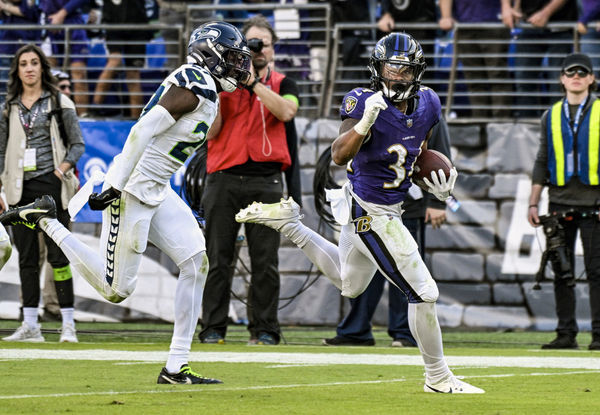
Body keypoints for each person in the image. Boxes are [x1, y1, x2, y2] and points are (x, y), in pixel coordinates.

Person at [0, 21, 252, 383]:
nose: (237, 65)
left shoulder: (207, 87)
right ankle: (46, 220)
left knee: (196, 262)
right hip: (131, 187)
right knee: (116, 289)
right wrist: (116, 184)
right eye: (229, 57)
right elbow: (143, 128)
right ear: (209, 53)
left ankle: (176, 365)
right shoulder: (195, 81)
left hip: (156, 187)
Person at [236, 32, 484, 394]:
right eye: (391, 67)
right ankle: (438, 377)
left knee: (350, 285)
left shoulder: (429, 102)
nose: (397, 75)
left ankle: (291, 226)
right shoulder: (360, 101)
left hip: (390, 206)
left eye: (405, 69)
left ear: (417, 72)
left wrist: (433, 184)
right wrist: (364, 123)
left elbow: (416, 156)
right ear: (378, 67)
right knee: (424, 292)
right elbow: (338, 155)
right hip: (370, 210)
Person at [198, 15, 301, 346]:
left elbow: (286, 112)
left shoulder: (284, 83)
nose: (256, 50)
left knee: (265, 262)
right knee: (218, 258)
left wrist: (253, 83)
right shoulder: (222, 83)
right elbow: (210, 132)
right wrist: (219, 85)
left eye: (263, 45)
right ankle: (213, 327)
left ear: (272, 50)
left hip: (266, 180)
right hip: (224, 177)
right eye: (250, 44)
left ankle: (265, 329)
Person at [323, 119, 452, 347]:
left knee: (406, 273)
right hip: (368, 203)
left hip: (406, 203)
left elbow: (436, 153)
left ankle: (403, 330)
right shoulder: (371, 106)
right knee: (360, 273)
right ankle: (357, 329)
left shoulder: (424, 106)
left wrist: (437, 202)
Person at [0, 44, 84, 343]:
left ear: (42, 68)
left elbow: (77, 144)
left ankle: (68, 325)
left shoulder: (59, 102)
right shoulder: (9, 106)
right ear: (17, 70)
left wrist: (59, 172)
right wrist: (1, 185)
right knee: (27, 258)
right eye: (24, 63)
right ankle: (31, 325)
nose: (29, 68)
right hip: (18, 189)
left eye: (34, 62)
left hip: (51, 187)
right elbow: (0, 151)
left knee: (59, 257)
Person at [527, 52, 600, 351]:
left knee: (597, 271)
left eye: (582, 73)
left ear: (592, 79)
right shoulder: (551, 114)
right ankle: (565, 333)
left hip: (594, 202)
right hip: (558, 201)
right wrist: (533, 203)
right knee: (562, 271)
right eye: (571, 73)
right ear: (561, 79)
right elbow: (542, 160)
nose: (576, 77)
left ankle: (599, 334)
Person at [500, 0, 577, 118]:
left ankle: (557, 128)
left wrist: (546, 12)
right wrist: (507, 7)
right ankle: (526, 128)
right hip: (528, 25)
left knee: (558, 84)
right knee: (523, 80)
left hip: (561, 27)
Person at [438, 0, 511, 118]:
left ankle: (500, 125)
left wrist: (506, 7)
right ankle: (479, 124)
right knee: (474, 80)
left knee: (497, 76)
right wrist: (446, 16)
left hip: (494, 23)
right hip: (464, 26)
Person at [91, 0, 153, 119]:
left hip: (137, 29)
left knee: (133, 74)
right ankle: (95, 108)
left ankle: (136, 119)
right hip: (113, 27)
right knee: (114, 61)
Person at [40, 0, 90, 116]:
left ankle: (83, 119)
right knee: (51, 76)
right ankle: (53, 117)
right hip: (49, 24)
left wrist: (61, 14)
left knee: (79, 73)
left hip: (74, 24)